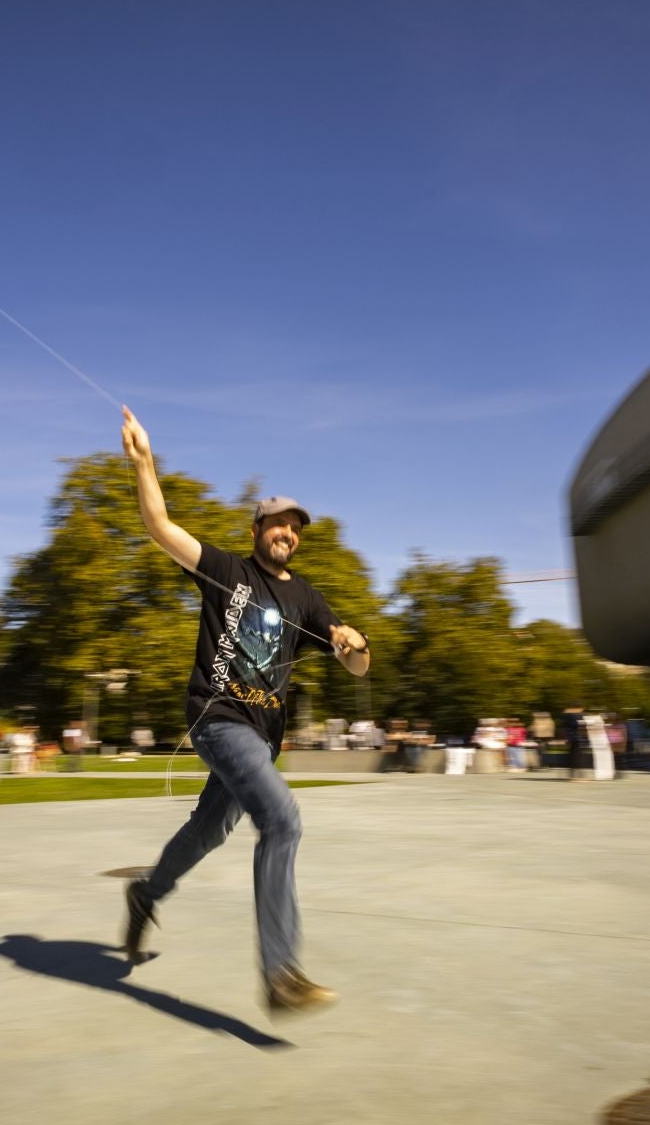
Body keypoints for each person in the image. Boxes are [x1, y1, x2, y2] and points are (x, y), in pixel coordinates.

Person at [118, 407, 371, 1015]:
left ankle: (145, 894)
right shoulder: (227, 571)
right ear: (257, 528)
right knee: (282, 820)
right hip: (217, 719)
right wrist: (145, 462)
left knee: (210, 830)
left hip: (262, 738)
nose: (287, 533)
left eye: (295, 528)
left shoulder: (305, 595)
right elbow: (160, 526)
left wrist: (353, 645)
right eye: (277, 523)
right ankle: (281, 973)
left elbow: (358, 664)